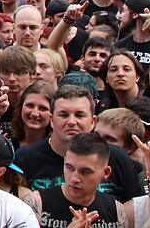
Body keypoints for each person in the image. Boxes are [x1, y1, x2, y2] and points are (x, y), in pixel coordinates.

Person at [13, 86, 143, 203]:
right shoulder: (25, 158)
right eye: (63, 115)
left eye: (79, 115)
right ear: (52, 120)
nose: (71, 122)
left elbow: (133, 211)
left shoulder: (117, 158)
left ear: (93, 121)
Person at [24, 132, 133, 228]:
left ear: (105, 173)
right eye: (69, 168)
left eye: (85, 171)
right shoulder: (37, 202)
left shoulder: (115, 208)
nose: (74, 178)